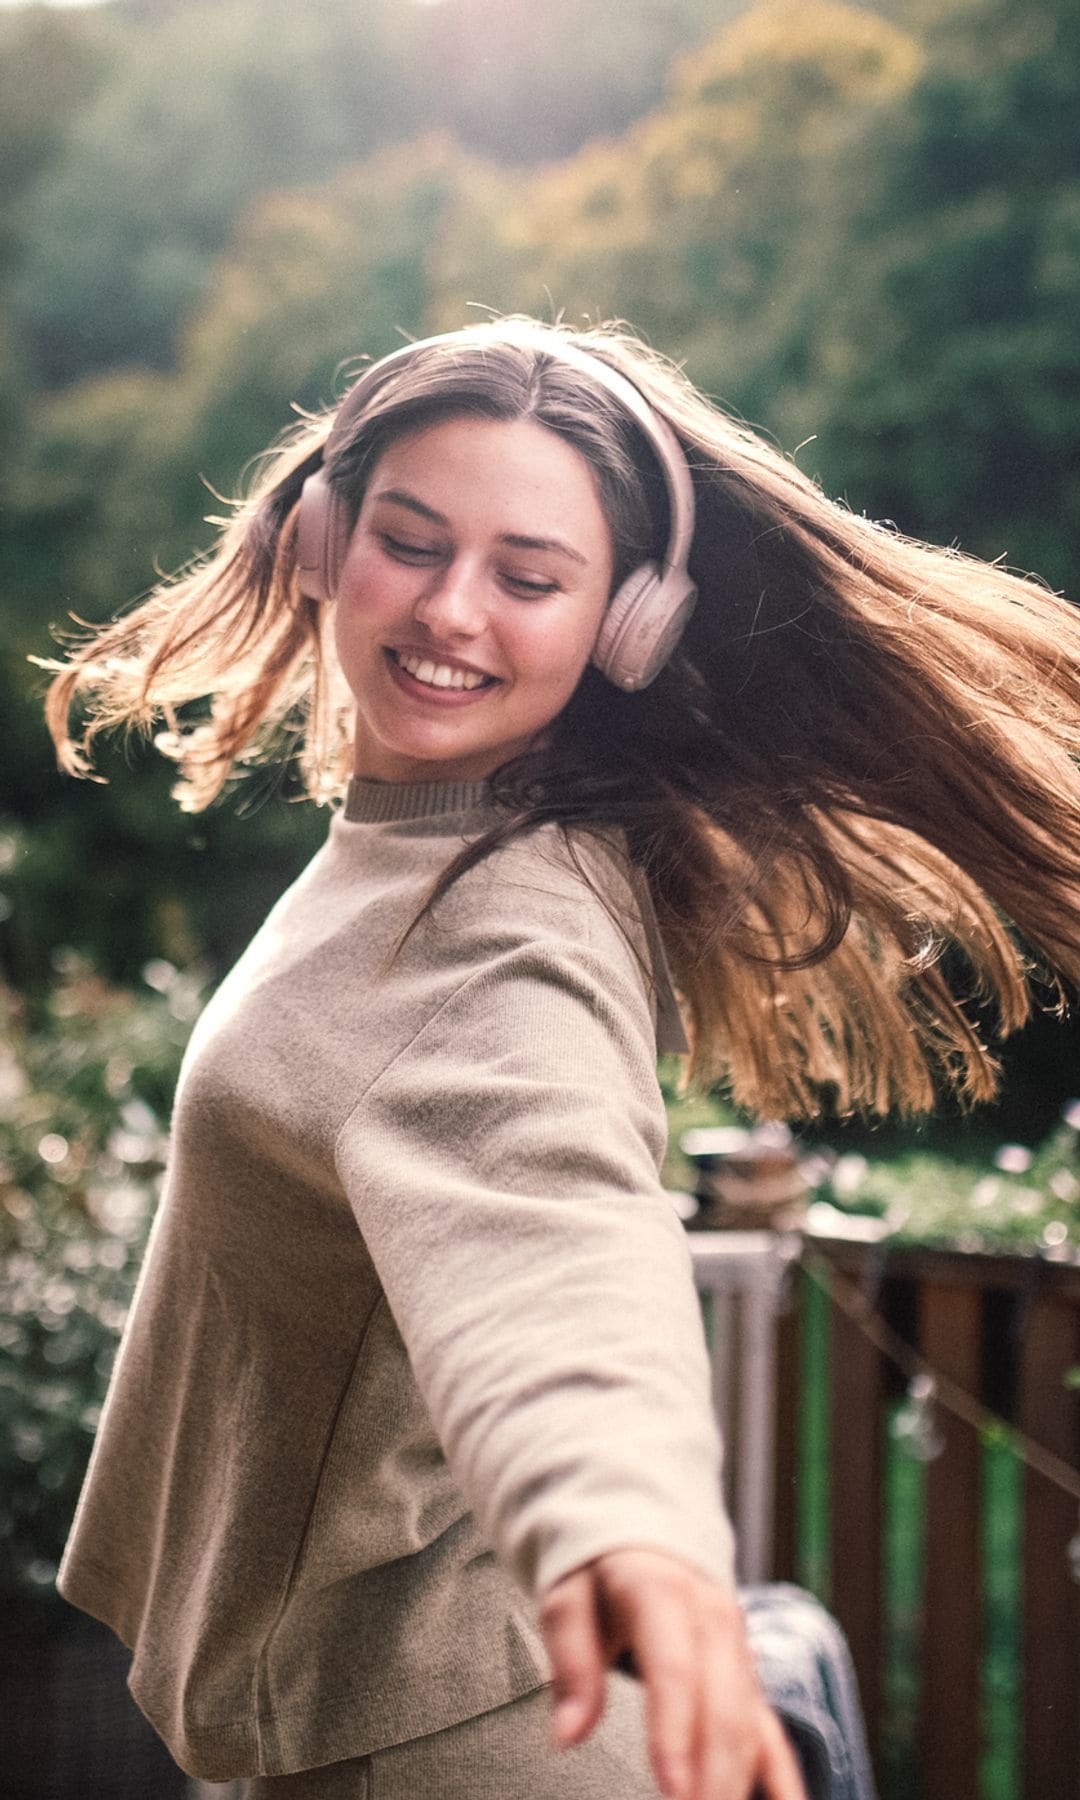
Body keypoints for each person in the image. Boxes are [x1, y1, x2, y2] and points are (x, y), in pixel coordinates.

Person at [43, 316, 1080, 1800]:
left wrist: (627, 1526)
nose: (454, 611)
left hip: (463, 1755)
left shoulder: (504, 925)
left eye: (530, 579)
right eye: (411, 542)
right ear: (327, 533)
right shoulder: (431, 832)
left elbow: (556, 1239)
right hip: (396, 1724)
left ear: (625, 625)